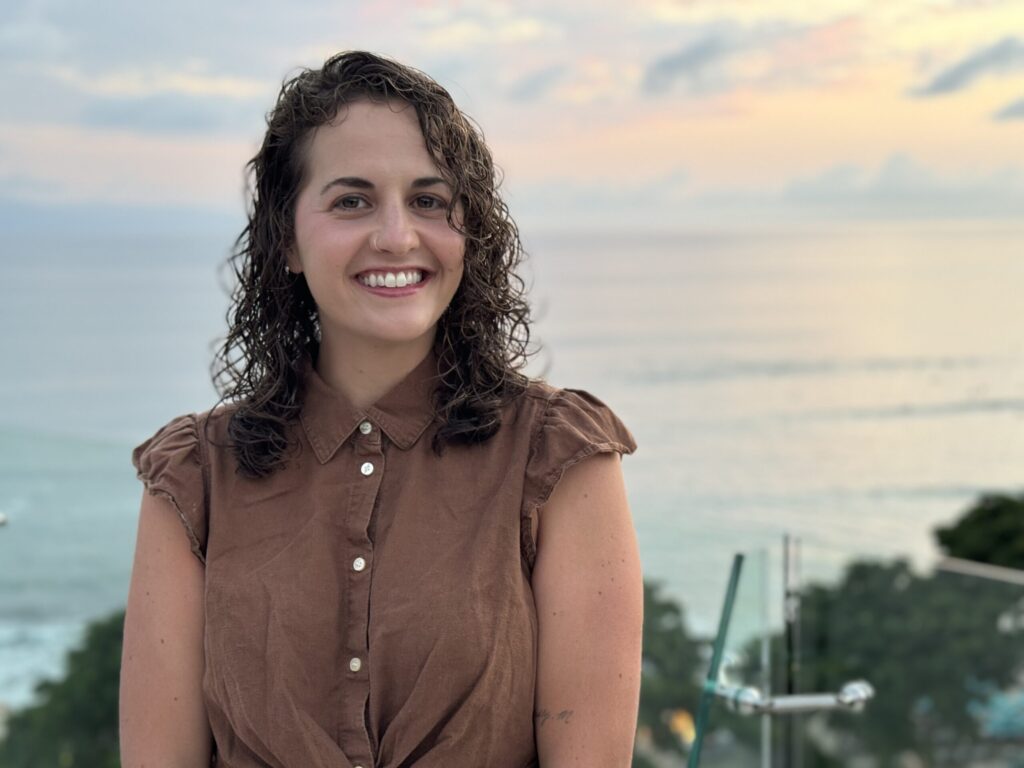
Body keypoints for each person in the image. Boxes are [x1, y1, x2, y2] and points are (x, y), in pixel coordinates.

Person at [119, 50, 642, 768]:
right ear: (287, 243)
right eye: (351, 200)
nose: (397, 235)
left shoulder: (557, 458)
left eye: (429, 200)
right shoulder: (193, 478)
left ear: (471, 233)